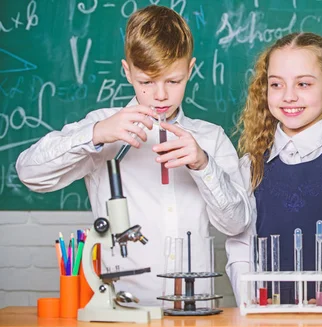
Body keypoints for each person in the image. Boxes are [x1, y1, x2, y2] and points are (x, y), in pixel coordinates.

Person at [16, 5, 251, 305]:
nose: (161, 95)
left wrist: (202, 164)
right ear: (127, 71)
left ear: (191, 69)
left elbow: (238, 224)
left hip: (194, 313)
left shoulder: (210, 138)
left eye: (173, 81)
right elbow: (29, 174)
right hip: (121, 312)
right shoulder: (104, 127)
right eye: (146, 82)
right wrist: (95, 134)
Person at [226, 32, 322, 305]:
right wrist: (252, 300)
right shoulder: (251, 167)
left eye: (304, 84)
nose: (288, 96)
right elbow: (241, 248)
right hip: (269, 318)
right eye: (276, 84)